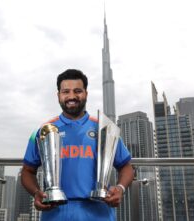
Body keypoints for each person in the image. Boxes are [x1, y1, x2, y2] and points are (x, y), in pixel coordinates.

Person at [21, 69, 134, 221]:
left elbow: (126, 166)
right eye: (66, 91)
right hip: (55, 214)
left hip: (99, 214)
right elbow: (27, 171)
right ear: (58, 95)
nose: (72, 96)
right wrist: (36, 193)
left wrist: (120, 188)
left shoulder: (104, 128)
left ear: (86, 93)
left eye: (78, 91)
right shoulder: (44, 130)